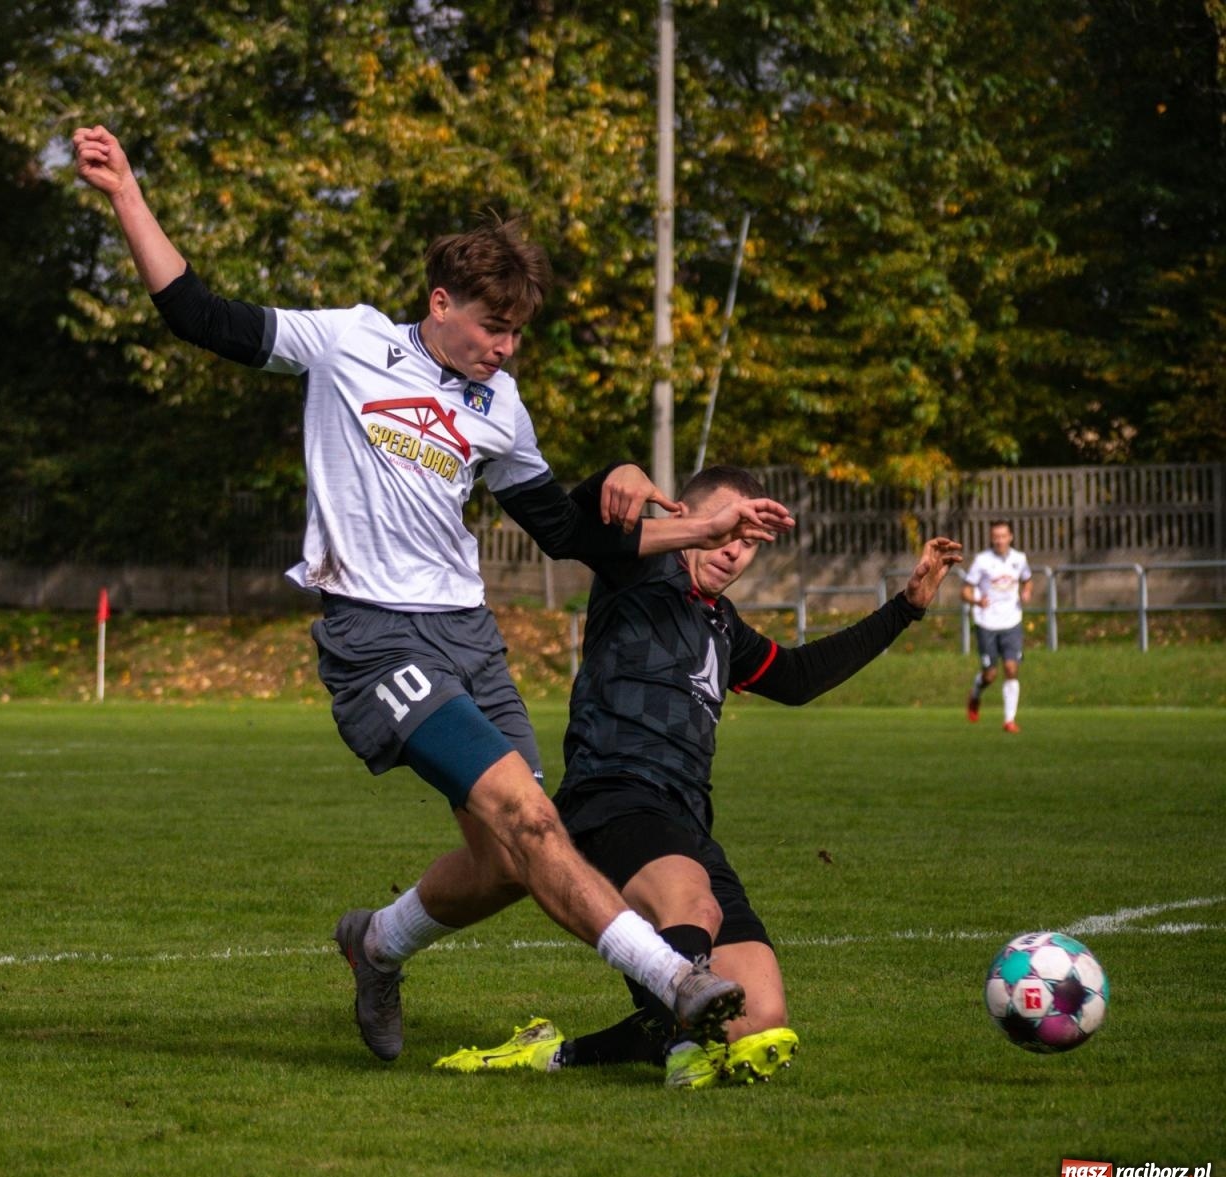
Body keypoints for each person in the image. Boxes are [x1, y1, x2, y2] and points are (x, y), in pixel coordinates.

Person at [72, 125, 796, 1059]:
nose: (505, 348)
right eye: (493, 329)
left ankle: (375, 944)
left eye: (517, 333)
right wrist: (129, 191)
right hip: (378, 635)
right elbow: (196, 314)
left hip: (468, 636)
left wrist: (697, 527)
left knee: (504, 866)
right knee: (535, 822)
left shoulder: (502, 408)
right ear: (440, 302)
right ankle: (678, 982)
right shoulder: (346, 344)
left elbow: (571, 536)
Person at [431, 465, 961, 1088]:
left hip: (685, 819)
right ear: (689, 520)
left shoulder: (722, 623)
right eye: (728, 532)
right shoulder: (637, 572)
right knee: (694, 907)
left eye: (749, 542)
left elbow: (795, 679)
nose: (734, 551)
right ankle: (684, 1045)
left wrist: (905, 609)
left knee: (760, 1020)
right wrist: (615, 475)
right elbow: (573, 526)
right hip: (612, 798)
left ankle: (567, 1051)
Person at [962, 519, 1032, 733]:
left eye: (1003, 536)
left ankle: (1009, 720)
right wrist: (976, 601)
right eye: (996, 537)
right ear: (991, 538)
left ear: (1010, 536)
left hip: (1012, 621)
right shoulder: (982, 561)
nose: (1000, 540)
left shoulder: (1019, 559)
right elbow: (965, 590)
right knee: (990, 674)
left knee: (1011, 668)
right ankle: (975, 694)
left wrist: (1027, 591)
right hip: (987, 623)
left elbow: (1028, 579)